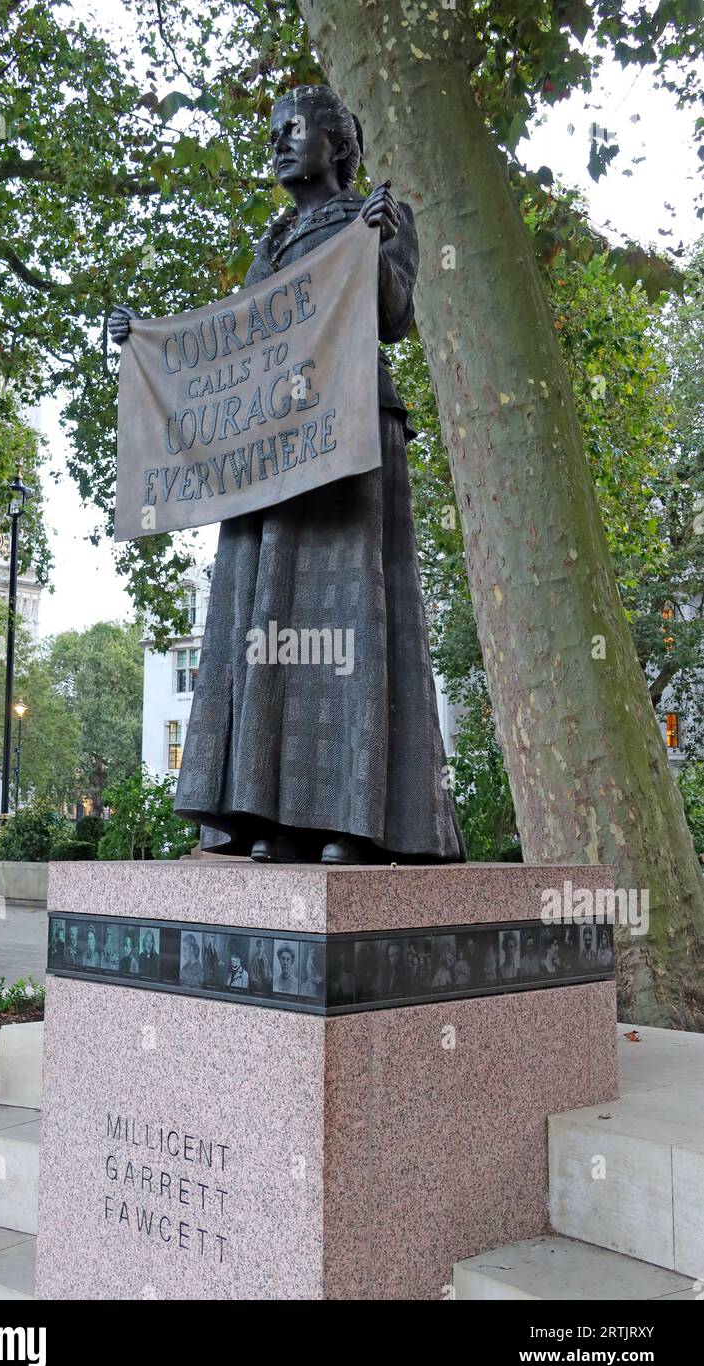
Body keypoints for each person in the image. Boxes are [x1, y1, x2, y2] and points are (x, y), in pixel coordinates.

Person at [109, 85, 465, 869]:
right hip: (271, 451)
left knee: (349, 623)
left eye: (293, 129)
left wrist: (372, 245)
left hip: (346, 435)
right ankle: (265, 812)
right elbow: (230, 352)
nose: (277, 142)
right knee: (263, 623)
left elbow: (395, 318)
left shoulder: (382, 212)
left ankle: (359, 819)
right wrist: (144, 344)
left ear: (335, 144)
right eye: (273, 131)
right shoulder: (270, 241)